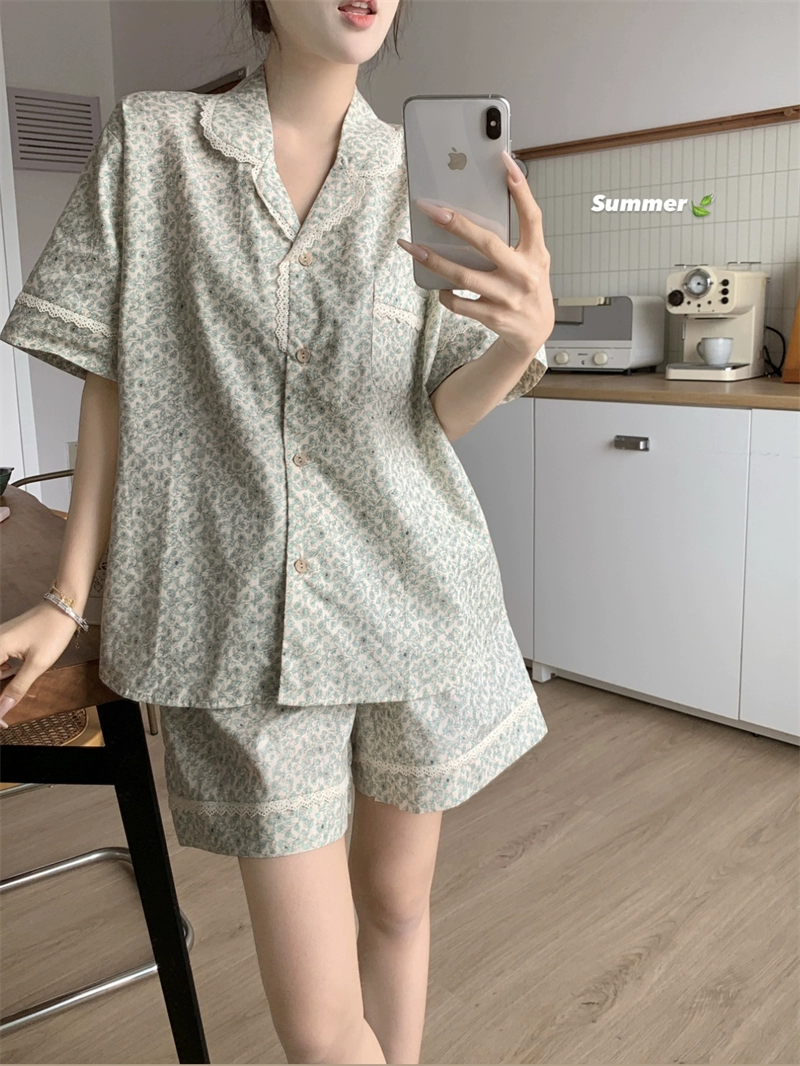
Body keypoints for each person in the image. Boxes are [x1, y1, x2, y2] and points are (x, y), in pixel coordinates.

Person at [0, 0, 555, 1061]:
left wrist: (517, 341)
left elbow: (436, 412)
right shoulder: (156, 144)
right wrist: (68, 595)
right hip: (235, 620)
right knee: (319, 1032)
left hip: (416, 598)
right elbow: (113, 377)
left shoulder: (423, 176)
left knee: (397, 907)